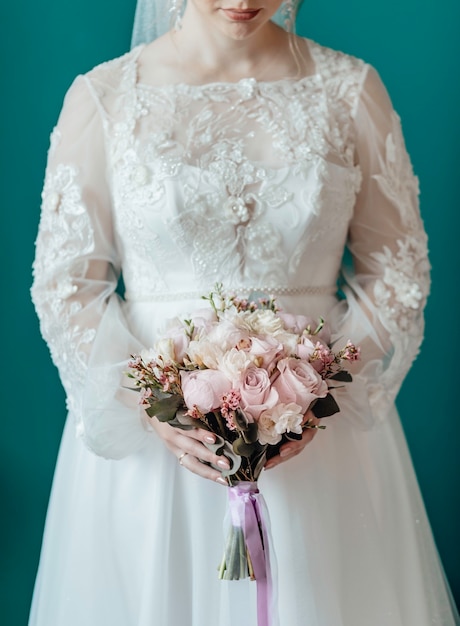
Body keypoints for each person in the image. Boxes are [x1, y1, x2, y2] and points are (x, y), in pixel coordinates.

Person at [29, 0, 459, 624]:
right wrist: (149, 402)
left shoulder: (350, 90)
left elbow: (396, 268)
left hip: (317, 438)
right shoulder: (104, 98)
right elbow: (67, 281)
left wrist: (315, 387)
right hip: (159, 451)